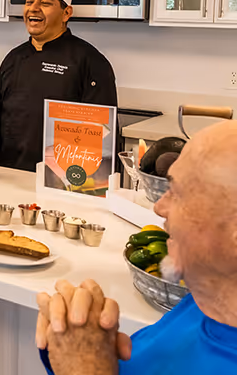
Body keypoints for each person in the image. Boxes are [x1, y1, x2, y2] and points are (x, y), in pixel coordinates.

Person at [35, 120, 237, 375]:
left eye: (178, 192)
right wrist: (77, 342)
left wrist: (85, 369)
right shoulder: (203, 302)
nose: (159, 207)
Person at [0, 0, 117, 171]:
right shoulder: (13, 59)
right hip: (9, 175)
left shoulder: (90, 62)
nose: (33, 9)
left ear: (66, 13)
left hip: (61, 183)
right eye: (29, 1)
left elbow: (101, 135)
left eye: (45, 3)